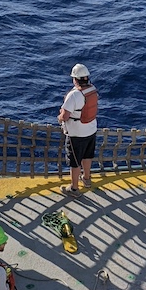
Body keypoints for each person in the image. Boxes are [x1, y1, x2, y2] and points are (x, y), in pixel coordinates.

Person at [58, 63, 98, 195]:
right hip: (91, 130)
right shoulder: (92, 90)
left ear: (75, 79)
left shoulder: (74, 95)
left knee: (75, 161)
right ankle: (86, 179)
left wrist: (60, 116)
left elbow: (65, 116)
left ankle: (74, 188)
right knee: (87, 155)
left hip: (77, 134)